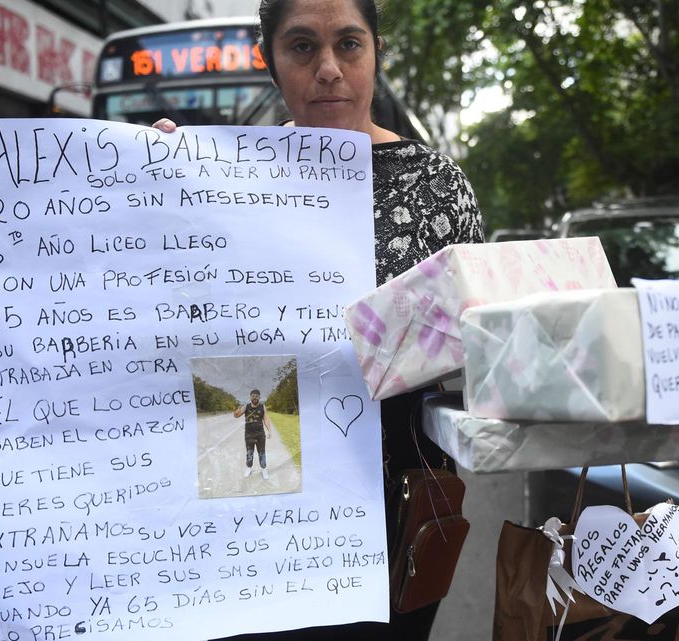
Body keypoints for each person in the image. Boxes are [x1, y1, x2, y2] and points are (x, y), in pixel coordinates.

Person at [157, 0, 485, 638]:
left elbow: (476, 350)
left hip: (395, 499)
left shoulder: (436, 186)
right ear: (271, 63)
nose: (329, 69)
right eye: (302, 47)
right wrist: (157, 189)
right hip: (251, 486)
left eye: (349, 45)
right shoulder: (216, 178)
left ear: (376, 53)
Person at [233, 389, 273, 480]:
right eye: (253, 395)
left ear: (259, 397)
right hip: (249, 434)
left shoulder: (263, 407)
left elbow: (266, 419)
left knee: (262, 452)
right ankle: (248, 468)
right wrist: (237, 410)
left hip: (260, 434)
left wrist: (269, 430)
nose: (255, 397)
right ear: (250, 397)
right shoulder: (245, 407)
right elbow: (236, 416)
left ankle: (263, 469)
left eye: (256, 396)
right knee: (249, 452)